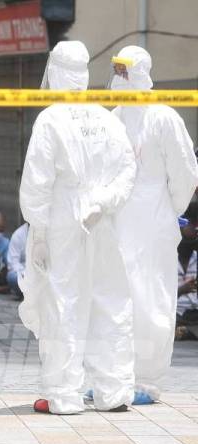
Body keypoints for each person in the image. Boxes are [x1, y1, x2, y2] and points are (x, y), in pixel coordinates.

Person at [19, 41, 137, 415]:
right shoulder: (107, 118)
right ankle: (114, 390)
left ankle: (65, 395)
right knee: (109, 300)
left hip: (63, 219)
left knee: (63, 302)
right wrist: (103, 202)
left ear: (54, 71)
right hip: (102, 220)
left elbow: (37, 183)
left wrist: (37, 232)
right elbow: (127, 172)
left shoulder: (50, 119)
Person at [108, 46, 198, 404]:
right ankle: (114, 373)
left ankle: (146, 380)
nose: (118, 77)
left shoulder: (164, 117)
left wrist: (164, 212)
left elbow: (186, 175)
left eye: (125, 70)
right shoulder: (113, 116)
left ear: (141, 71)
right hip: (118, 218)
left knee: (151, 297)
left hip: (154, 221)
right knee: (117, 295)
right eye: (115, 69)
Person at [176, 213, 198, 340]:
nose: (189, 248)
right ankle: (183, 332)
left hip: (194, 312)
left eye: (192, 244)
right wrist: (181, 290)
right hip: (176, 312)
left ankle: (184, 333)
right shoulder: (168, 261)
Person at [6, 223, 28, 299]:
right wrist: (25, 274)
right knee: (12, 277)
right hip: (25, 274)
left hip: (43, 274)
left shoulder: (49, 232)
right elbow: (13, 263)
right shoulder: (19, 235)